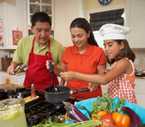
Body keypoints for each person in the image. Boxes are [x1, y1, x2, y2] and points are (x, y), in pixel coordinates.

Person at [61, 23, 137, 103]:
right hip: (116, 104)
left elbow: (104, 79)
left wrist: (75, 75)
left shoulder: (124, 62)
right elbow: (107, 77)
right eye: (105, 45)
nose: (106, 49)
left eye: (110, 45)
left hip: (126, 106)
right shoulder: (117, 63)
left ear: (121, 45)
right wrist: (96, 82)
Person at [7, 12, 64, 92]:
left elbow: (63, 73)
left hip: (50, 93)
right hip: (29, 90)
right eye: (39, 30)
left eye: (47, 30)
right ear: (32, 29)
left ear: (51, 29)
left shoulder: (58, 47)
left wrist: (54, 67)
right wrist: (12, 66)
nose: (43, 34)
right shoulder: (24, 42)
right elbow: (16, 61)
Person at [61, 18, 106, 100]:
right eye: (73, 36)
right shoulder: (67, 51)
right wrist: (60, 90)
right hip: (71, 97)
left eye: (79, 36)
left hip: (92, 99)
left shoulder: (98, 52)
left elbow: (102, 77)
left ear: (88, 34)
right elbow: (63, 75)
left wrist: (96, 83)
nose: (76, 40)